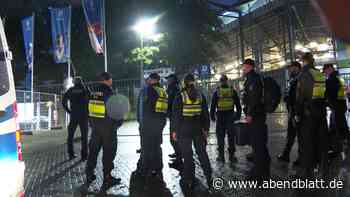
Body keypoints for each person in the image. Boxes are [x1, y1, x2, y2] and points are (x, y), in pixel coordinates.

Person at [172, 74, 212, 190]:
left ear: (184, 83)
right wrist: (206, 129)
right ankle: (209, 176)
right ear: (194, 82)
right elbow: (205, 114)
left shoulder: (180, 96)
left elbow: (176, 115)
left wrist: (174, 131)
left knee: (187, 156)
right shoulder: (200, 95)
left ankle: (189, 179)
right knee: (202, 153)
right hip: (198, 128)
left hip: (184, 129)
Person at [84, 72, 124, 192]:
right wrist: (117, 124)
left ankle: (89, 173)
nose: (111, 81)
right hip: (108, 129)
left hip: (95, 128)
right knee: (109, 153)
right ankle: (107, 177)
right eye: (111, 79)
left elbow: (87, 109)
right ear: (108, 80)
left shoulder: (92, 93)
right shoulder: (110, 93)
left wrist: (91, 123)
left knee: (93, 151)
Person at [295, 53, 328, 178]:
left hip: (308, 112)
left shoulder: (304, 74)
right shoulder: (318, 73)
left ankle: (308, 170)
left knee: (307, 141)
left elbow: (301, 96)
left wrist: (298, 113)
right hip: (321, 110)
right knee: (321, 140)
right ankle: (323, 167)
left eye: (301, 61)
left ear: (304, 61)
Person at [241, 59, 271, 182]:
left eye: (244, 66)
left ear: (249, 66)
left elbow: (254, 99)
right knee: (260, 144)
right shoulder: (253, 78)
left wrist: (250, 114)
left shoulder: (253, 79)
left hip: (256, 116)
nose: (243, 69)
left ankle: (258, 174)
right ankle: (264, 169)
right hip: (259, 115)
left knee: (257, 144)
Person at [138, 73, 168, 181]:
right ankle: (158, 169)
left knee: (148, 148)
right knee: (157, 147)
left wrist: (143, 124)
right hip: (160, 124)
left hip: (149, 124)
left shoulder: (150, 90)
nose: (148, 81)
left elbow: (147, 108)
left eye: (149, 79)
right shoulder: (163, 91)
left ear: (152, 79)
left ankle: (147, 170)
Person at [210, 74, 241, 165]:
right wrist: (238, 115)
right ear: (227, 81)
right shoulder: (232, 91)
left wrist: (212, 116)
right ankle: (232, 155)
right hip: (230, 116)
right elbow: (238, 105)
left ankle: (221, 156)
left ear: (220, 82)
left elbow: (213, 105)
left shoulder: (217, 92)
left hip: (220, 117)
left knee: (220, 137)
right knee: (231, 136)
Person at [277, 62, 302, 166]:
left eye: (291, 68)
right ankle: (286, 155)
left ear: (296, 68)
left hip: (298, 113)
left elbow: (299, 97)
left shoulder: (300, 79)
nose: (289, 70)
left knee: (301, 137)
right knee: (291, 135)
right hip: (292, 112)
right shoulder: (293, 80)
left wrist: (297, 113)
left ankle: (301, 158)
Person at [323, 64, 348, 157]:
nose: (325, 73)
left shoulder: (332, 79)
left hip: (336, 106)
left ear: (330, 69)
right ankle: (340, 146)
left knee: (337, 127)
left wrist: (326, 101)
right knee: (340, 125)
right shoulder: (339, 77)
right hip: (341, 104)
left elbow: (330, 93)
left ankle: (337, 148)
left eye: (325, 71)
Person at [62, 76, 90, 160]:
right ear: (81, 82)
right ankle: (84, 156)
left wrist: (69, 111)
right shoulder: (85, 89)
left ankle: (71, 154)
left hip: (74, 115)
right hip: (84, 116)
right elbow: (92, 100)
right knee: (84, 137)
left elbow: (64, 102)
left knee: (70, 136)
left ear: (74, 82)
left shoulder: (70, 90)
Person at [166, 74, 183, 169]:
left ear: (172, 80)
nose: (167, 81)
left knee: (174, 139)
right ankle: (178, 156)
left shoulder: (173, 89)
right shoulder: (172, 88)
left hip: (175, 117)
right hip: (174, 116)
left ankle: (179, 160)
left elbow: (170, 102)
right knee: (174, 139)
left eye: (168, 79)